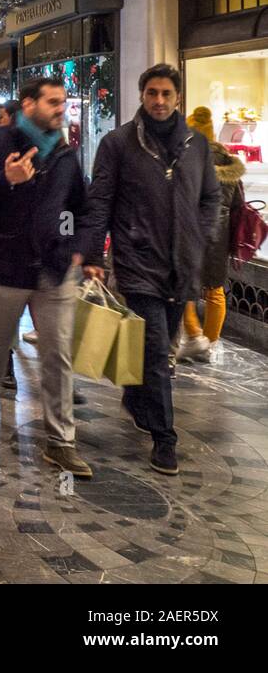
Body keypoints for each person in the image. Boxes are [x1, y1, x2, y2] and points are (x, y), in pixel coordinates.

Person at [81, 64, 220, 476]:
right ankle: (165, 439)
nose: (159, 101)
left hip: (183, 264)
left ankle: (138, 397)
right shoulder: (118, 143)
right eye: (151, 93)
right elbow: (100, 201)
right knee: (159, 350)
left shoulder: (196, 145)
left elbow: (210, 197)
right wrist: (93, 256)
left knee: (160, 347)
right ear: (142, 95)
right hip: (138, 261)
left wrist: (199, 235)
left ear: (178, 97)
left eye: (166, 94)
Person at [0, 76, 93, 479]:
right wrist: (5, 180)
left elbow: (82, 208)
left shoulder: (67, 156)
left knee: (58, 353)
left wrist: (81, 250)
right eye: (53, 101)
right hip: (6, 263)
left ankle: (61, 442)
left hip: (55, 269)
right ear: (28, 103)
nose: (60, 109)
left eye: (63, 102)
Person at [175, 106, 244, 363]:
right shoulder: (229, 164)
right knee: (215, 291)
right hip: (220, 236)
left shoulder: (188, 159)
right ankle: (210, 342)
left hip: (192, 232)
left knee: (183, 286)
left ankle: (194, 336)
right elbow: (238, 204)